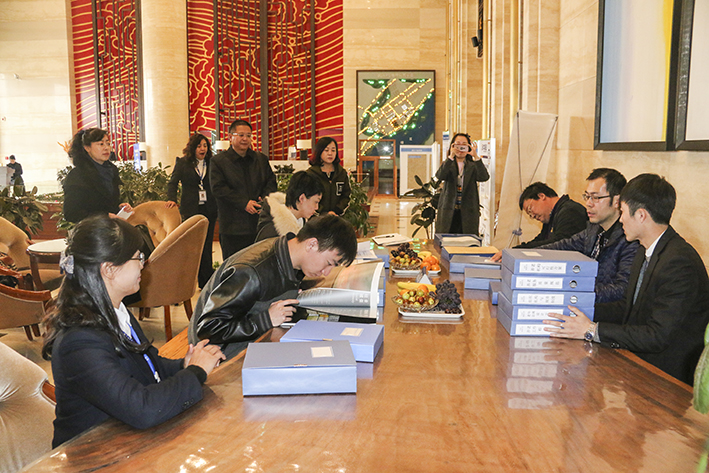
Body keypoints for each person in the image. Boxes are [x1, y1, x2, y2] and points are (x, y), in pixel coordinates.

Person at [42, 215, 225, 447]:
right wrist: (195, 372)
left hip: (125, 440)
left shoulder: (116, 310)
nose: (142, 264)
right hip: (94, 452)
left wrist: (185, 364)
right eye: (138, 257)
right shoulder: (79, 340)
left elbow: (149, 366)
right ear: (109, 269)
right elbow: (143, 409)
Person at [544, 174, 709, 385]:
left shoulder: (679, 263)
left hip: (668, 378)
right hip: (637, 363)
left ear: (641, 215)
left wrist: (591, 330)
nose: (620, 219)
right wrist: (576, 312)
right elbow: (627, 308)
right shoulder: (645, 249)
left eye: (622, 212)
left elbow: (657, 335)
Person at [188, 214, 358, 359]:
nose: (326, 272)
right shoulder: (251, 272)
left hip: (253, 339)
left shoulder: (289, 253)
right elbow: (208, 328)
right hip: (219, 354)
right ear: (311, 244)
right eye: (329, 263)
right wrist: (266, 319)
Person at [538, 169, 639, 303]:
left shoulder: (629, 238)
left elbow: (621, 290)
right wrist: (526, 255)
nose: (588, 203)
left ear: (617, 201)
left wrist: (573, 291)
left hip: (601, 309)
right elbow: (562, 246)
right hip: (581, 300)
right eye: (587, 196)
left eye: (595, 198)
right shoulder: (593, 229)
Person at [210, 119, 277, 259]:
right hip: (233, 226)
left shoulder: (260, 159)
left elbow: (271, 182)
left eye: (248, 135)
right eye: (241, 135)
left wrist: (264, 199)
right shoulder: (219, 161)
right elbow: (218, 188)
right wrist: (244, 203)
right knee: (234, 264)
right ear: (230, 137)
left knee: (260, 262)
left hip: (259, 224)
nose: (245, 139)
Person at [166, 133, 218, 288]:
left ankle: (206, 280)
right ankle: (189, 280)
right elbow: (173, 183)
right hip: (191, 209)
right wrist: (172, 199)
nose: (202, 149)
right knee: (193, 245)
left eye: (205, 146)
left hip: (209, 208)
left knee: (207, 244)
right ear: (192, 148)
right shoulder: (183, 163)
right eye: (199, 146)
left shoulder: (213, 163)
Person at [491, 181, 587, 261]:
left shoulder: (570, 210)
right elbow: (541, 240)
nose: (533, 216)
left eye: (530, 209)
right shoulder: (551, 216)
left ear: (541, 196)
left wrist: (517, 251)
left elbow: (559, 244)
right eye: (529, 215)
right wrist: (513, 251)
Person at [63, 128, 133, 223]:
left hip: (111, 228)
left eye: (108, 143)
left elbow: (107, 203)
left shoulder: (112, 170)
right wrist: (105, 216)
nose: (106, 148)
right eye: (101, 144)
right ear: (87, 148)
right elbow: (72, 213)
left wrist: (120, 207)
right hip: (91, 229)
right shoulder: (77, 175)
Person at [434, 133, 490, 235]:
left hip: (468, 211)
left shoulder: (473, 165)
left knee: (467, 240)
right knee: (446, 239)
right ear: (452, 146)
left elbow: (484, 177)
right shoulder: (448, 163)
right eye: (457, 145)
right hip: (449, 209)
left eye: (464, 145)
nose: (460, 148)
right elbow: (440, 176)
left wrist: (476, 156)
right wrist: (451, 156)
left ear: (469, 147)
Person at [255, 170, 324, 242]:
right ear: (302, 198)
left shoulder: (302, 222)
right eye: (316, 202)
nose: (317, 207)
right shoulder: (272, 229)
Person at [306, 137, 351, 216]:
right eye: (326, 150)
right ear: (319, 152)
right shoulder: (311, 174)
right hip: (316, 217)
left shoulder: (341, 173)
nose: (330, 153)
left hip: (337, 217)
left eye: (333, 150)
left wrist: (336, 211)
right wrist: (323, 212)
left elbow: (346, 195)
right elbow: (308, 197)